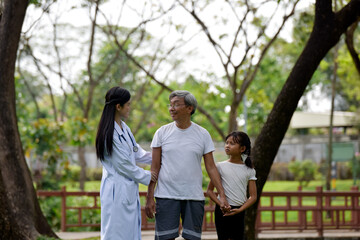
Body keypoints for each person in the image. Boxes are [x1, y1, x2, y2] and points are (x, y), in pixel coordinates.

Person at [145, 90, 230, 240]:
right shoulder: (161, 133)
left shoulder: (203, 134)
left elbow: (211, 167)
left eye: (176, 105)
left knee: (193, 238)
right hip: (166, 195)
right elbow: (155, 167)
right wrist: (149, 196)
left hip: (193, 196)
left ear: (190, 108)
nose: (171, 108)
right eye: (170, 105)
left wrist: (222, 194)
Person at [95, 86, 157, 240]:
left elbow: (136, 153)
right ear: (118, 106)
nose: (130, 108)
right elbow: (123, 166)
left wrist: (158, 158)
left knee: (129, 233)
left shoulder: (125, 128)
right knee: (115, 234)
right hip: (116, 190)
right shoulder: (109, 133)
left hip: (127, 189)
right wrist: (150, 176)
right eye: (128, 104)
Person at [207, 131, 257, 240]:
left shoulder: (249, 170)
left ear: (242, 149)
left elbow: (253, 196)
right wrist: (221, 204)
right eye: (227, 143)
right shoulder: (220, 167)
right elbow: (210, 191)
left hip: (239, 211)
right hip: (222, 211)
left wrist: (240, 210)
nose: (227, 146)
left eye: (232, 143)